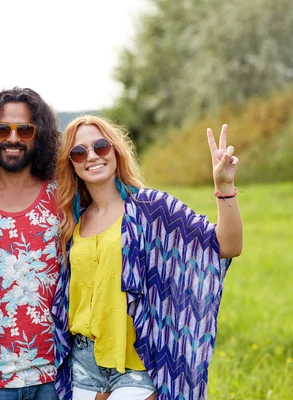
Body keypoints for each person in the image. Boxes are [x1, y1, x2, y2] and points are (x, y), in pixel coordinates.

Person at [53, 116, 243, 400]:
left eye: (100, 146)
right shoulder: (71, 221)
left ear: (116, 151)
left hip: (138, 362)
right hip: (82, 363)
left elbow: (227, 245)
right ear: (72, 164)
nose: (91, 156)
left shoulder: (152, 208)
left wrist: (224, 186)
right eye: (79, 152)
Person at [0, 87, 62, 400]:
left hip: (55, 375)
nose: (14, 138)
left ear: (40, 135)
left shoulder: (63, 196)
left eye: (25, 129)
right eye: (2, 129)